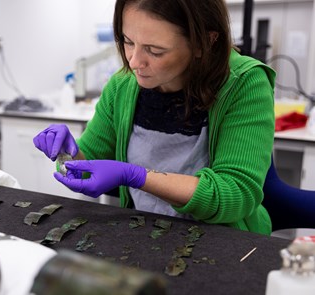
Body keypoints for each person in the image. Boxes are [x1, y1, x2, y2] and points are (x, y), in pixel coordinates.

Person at [33, 0, 275, 235]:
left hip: (223, 240)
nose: (134, 62)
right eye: (128, 42)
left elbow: (235, 194)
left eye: (155, 50)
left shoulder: (244, 83)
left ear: (205, 42)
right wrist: (69, 156)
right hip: (145, 234)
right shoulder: (122, 86)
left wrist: (135, 176)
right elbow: (86, 167)